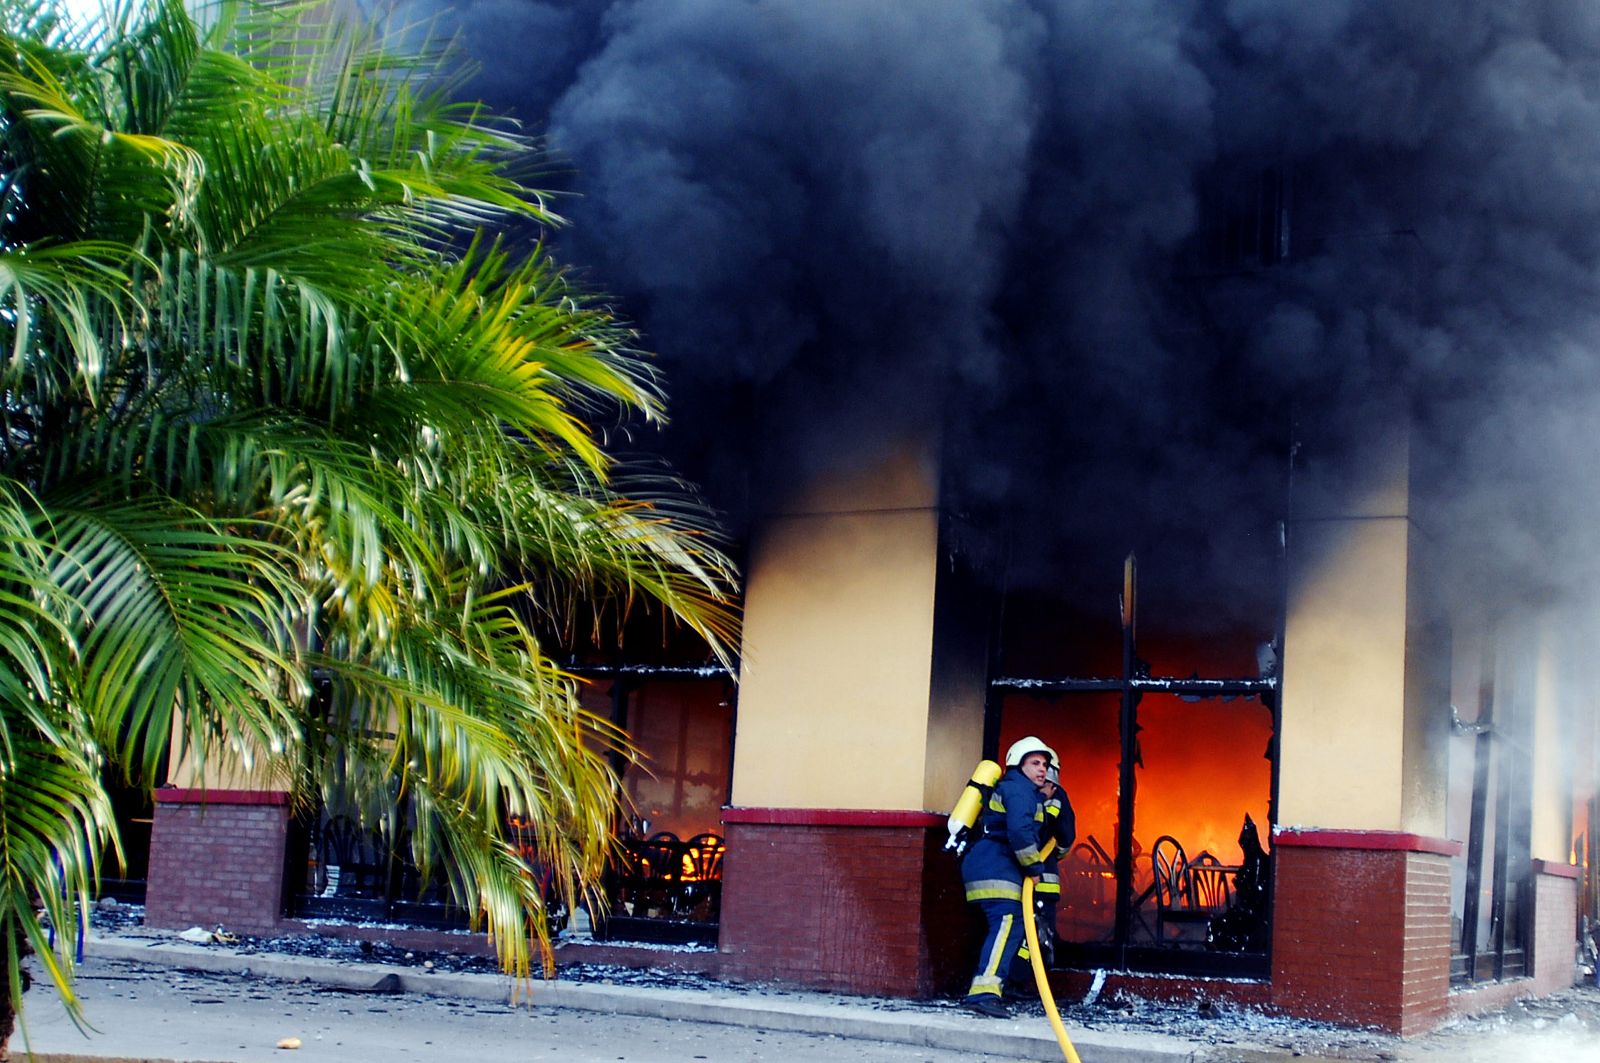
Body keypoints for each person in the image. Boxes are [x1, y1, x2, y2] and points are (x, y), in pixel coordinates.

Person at [960, 736, 1056, 1018]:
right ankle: (984, 993)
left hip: (990, 865)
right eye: (1035, 763)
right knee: (1008, 924)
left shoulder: (1021, 790)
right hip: (995, 868)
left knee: (1008, 927)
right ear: (1018, 764)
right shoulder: (1018, 789)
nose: (1042, 769)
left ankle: (997, 986)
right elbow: (1019, 832)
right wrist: (1035, 868)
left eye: (1045, 764)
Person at [1012, 762, 1075, 984]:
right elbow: (1066, 837)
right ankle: (1022, 981)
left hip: (1022, 879)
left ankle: (1018, 981)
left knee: (1023, 932)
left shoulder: (1019, 793)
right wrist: (1053, 855)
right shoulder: (1052, 796)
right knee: (1036, 934)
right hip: (1042, 880)